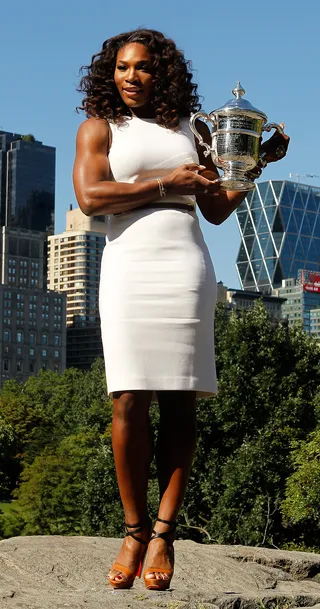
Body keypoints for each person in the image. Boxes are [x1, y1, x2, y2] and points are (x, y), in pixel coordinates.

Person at [73, 28, 289, 591]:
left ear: (162, 72)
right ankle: (133, 529)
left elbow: (215, 209)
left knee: (180, 401)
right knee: (127, 398)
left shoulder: (194, 130)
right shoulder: (100, 128)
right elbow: (91, 197)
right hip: (128, 268)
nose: (131, 77)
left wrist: (252, 162)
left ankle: (165, 534)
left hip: (183, 266)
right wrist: (165, 179)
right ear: (109, 72)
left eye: (143, 67)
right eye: (122, 67)